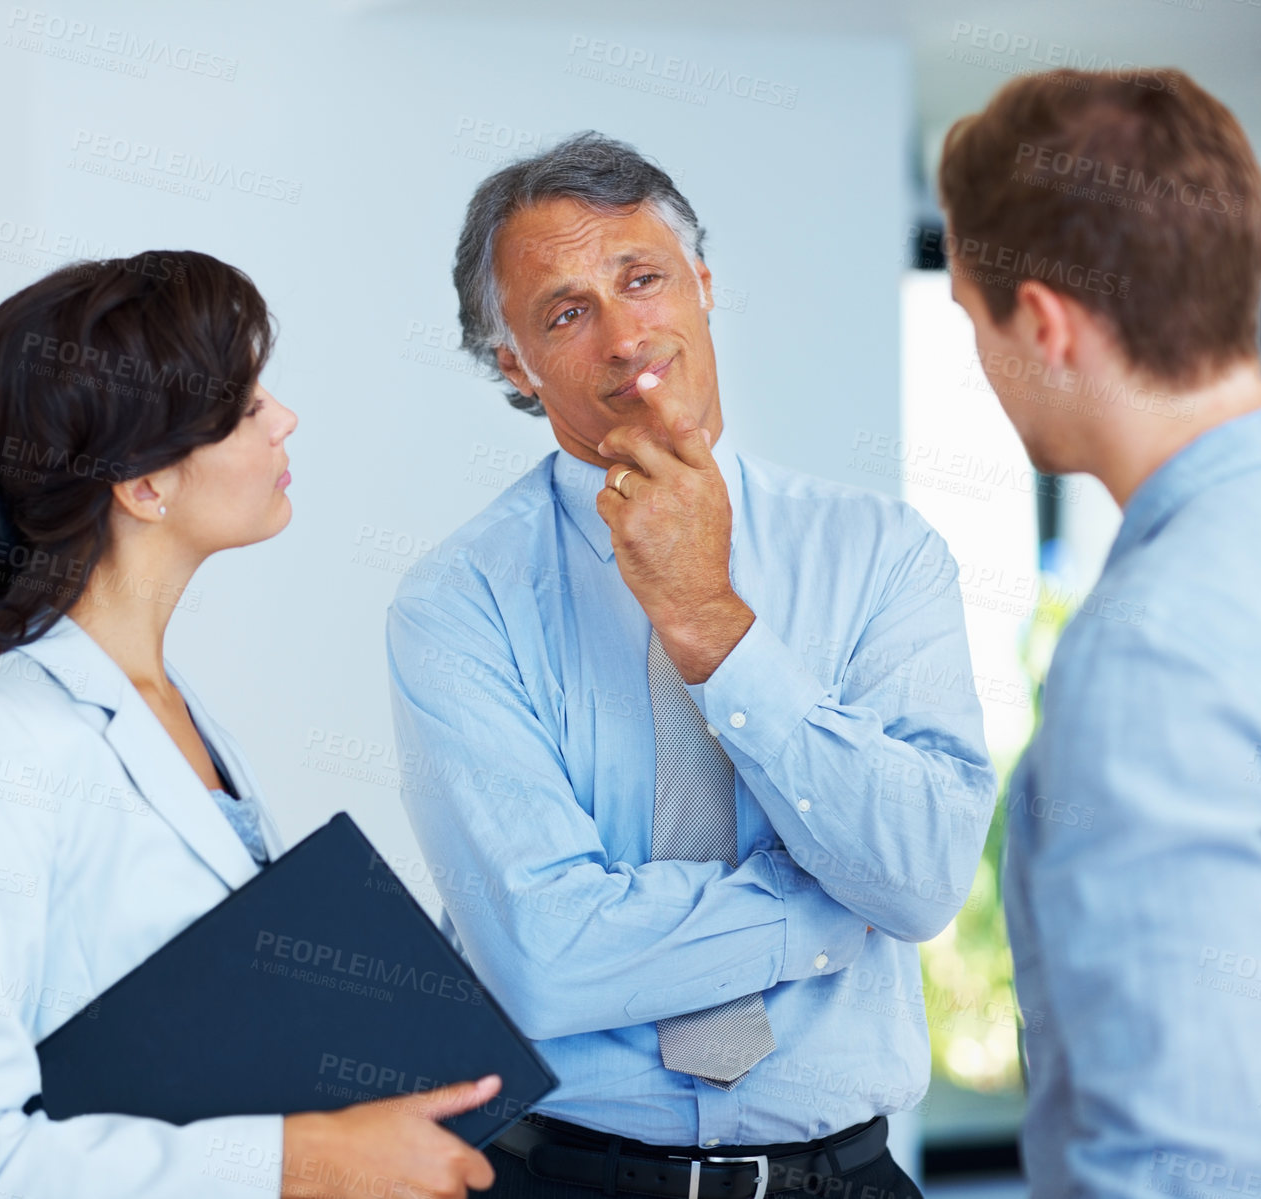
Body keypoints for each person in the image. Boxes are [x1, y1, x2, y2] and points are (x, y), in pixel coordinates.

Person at [385, 132, 998, 1199]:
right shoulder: (457, 601)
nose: (625, 335)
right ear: (514, 366)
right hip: (557, 1177)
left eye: (642, 278)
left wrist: (713, 626)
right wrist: (831, 907)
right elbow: (547, 957)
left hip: (844, 1179)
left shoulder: (879, 554)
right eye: (566, 312)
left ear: (702, 283)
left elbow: (921, 868)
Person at [0, 250, 499, 1199]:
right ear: (145, 486)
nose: (284, 418)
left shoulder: (177, 711)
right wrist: (299, 1162)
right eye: (246, 407)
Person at [938, 67, 1261, 1194]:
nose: (979, 364)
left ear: (1043, 321)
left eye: (971, 319)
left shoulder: (1151, 653)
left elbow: (1174, 1164)